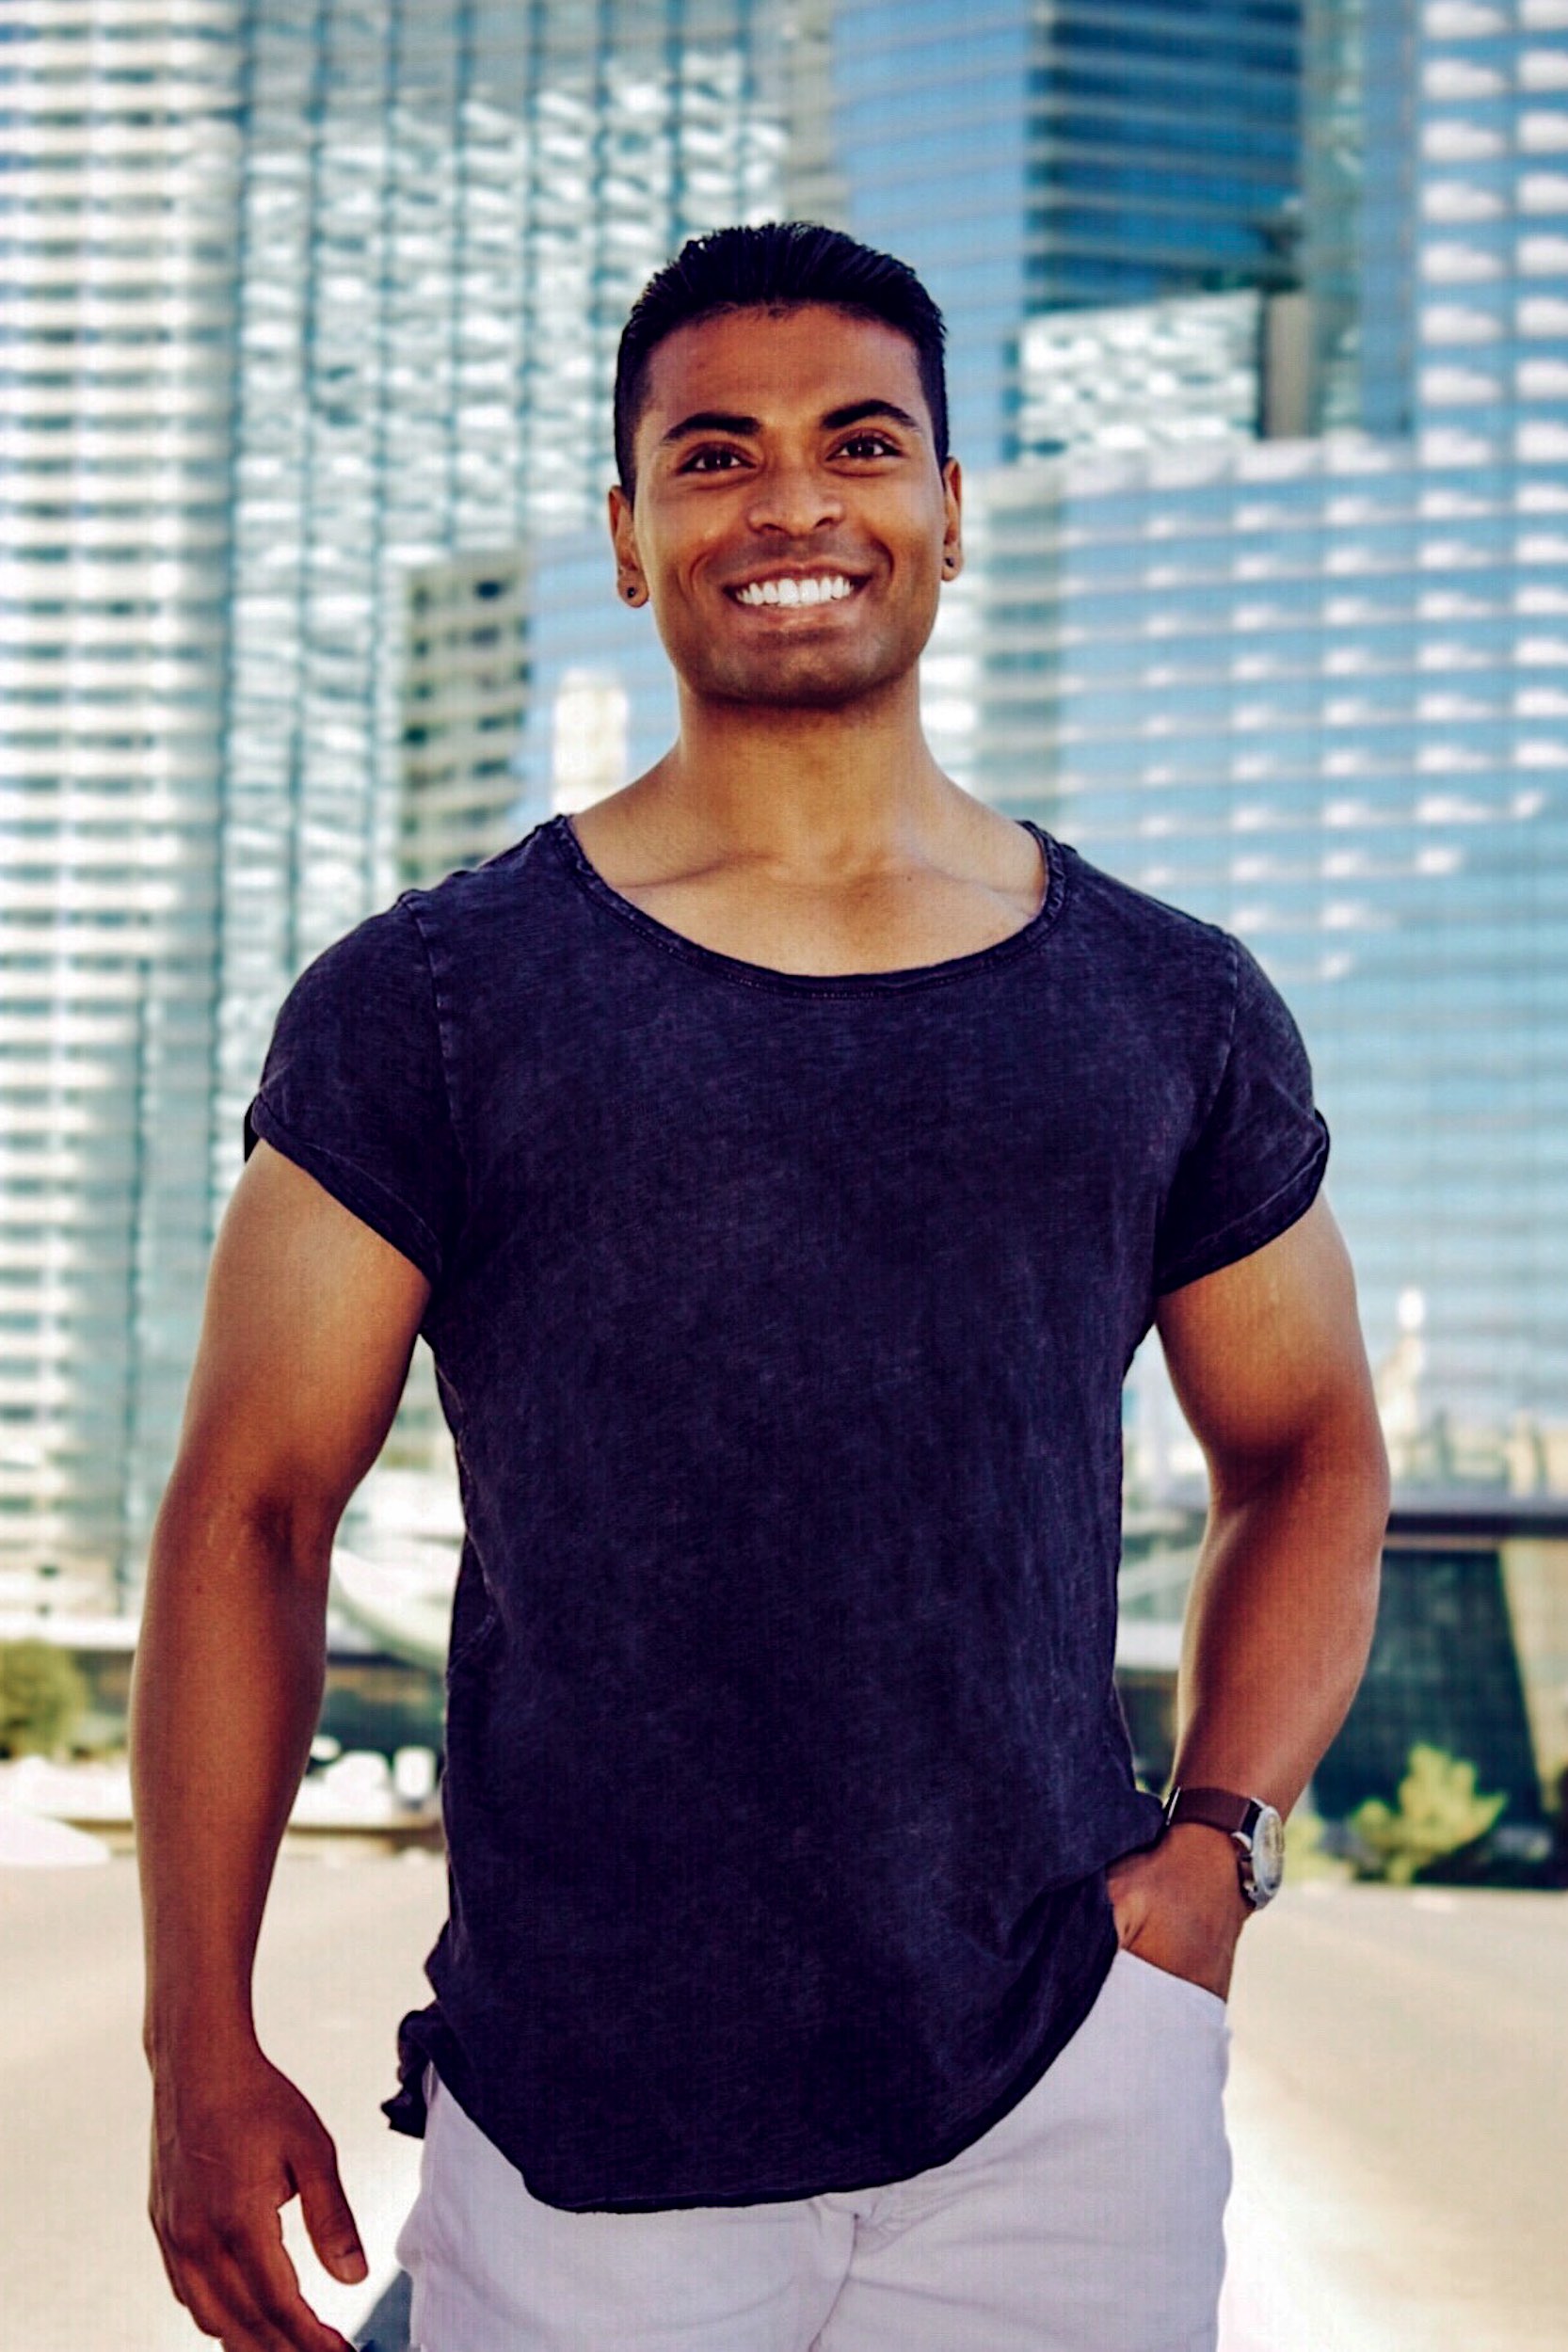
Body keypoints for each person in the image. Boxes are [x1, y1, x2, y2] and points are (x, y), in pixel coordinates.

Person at [132, 222, 1391, 2352]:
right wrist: (195, 2037)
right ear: (627, 538)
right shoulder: (434, 1002)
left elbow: (1307, 1442)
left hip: (1057, 2103)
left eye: (859, 442)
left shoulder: (1162, 1003)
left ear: (946, 512)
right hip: (580, 2131)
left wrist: (1218, 1856)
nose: (791, 500)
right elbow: (250, 1511)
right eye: (712, 455)